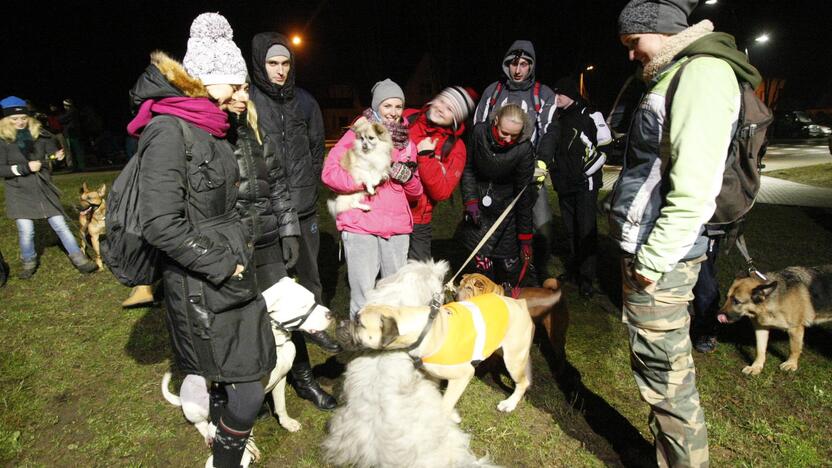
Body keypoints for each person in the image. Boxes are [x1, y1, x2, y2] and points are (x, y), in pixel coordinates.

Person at [611, 1, 762, 465]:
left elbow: (695, 189)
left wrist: (651, 264)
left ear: (660, 31)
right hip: (653, 250)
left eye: (634, 42)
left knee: (668, 379)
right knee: (659, 372)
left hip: (662, 259)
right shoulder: (677, 71)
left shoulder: (701, 74)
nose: (631, 55)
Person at [128, 13, 275, 466]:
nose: (242, 92)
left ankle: (221, 438)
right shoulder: (169, 132)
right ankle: (226, 459)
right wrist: (220, 263)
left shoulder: (209, 127)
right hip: (203, 284)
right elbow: (158, 223)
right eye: (236, 83)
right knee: (248, 391)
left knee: (245, 375)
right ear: (210, 80)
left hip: (230, 274)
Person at [248, 31, 340, 410]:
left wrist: (307, 183)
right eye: (272, 63)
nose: (280, 70)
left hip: (302, 209)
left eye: (285, 63)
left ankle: (314, 326)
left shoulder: (306, 102)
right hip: (264, 215)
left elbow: (317, 146)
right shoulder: (248, 101)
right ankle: (292, 372)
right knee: (277, 294)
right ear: (259, 65)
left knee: (311, 278)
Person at [322, 79, 423, 318]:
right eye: (387, 105)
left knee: (395, 296)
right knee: (363, 297)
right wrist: (364, 178)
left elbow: (416, 193)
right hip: (361, 225)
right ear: (377, 106)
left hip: (396, 228)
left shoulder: (409, 144)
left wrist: (407, 178)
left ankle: (394, 346)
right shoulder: (358, 134)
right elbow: (329, 173)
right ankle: (361, 345)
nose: (393, 112)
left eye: (398, 106)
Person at [473, 40, 558, 283]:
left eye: (523, 64)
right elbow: (479, 127)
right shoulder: (493, 91)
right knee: (493, 226)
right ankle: (491, 277)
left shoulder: (543, 94)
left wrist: (541, 163)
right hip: (495, 173)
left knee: (542, 225)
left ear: (531, 66)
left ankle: (539, 274)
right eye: (513, 64)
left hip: (528, 172)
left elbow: (550, 130)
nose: (517, 70)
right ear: (506, 64)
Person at [0, 96, 97, 279]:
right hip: (19, 192)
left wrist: (57, 157)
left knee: (60, 225)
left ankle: (79, 259)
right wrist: (24, 168)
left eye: (23, 118)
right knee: (26, 230)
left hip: (43, 188)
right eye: (14, 119)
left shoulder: (41, 134)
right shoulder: (2, 141)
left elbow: (51, 155)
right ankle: (29, 261)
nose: (20, 122)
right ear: (6, 120)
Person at [459, 104, 535, 289]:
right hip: (478, 202)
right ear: (495, 121)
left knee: (508, 266)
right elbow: (468, 169)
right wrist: (471, 201)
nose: (508, 139)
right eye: (504, 133)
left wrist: (525, 237)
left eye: (514, 135)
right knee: (480, 264)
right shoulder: (478, 133)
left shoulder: (524, 149)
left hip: (507, 209)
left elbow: (523, 195)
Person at [547, 77, 608, 298]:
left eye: (560, 93)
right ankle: (573, 272)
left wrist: (587, 172)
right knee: (571, 230)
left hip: (585, 184)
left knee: (585, 231)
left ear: (571, 94)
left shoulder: (588, 115)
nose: (557, 98)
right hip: (564, 183)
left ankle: (587, 280)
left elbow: (602, 146)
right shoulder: (558, 116)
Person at [402, 86, 475, 261]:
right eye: (442, 100)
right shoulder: (406, 117)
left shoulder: (456, 149)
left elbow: (441, 192)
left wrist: (426, 157)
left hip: (417, 219)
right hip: (384, 209)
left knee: (417, 276)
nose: (441, 108)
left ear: (457, 119)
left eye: (450, 109)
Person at [59, 98, 84, 171]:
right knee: (73, 151)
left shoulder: (72, 111)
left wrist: (61, 118)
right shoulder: (73, 111)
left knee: (76, 150)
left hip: (73, 133)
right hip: (72, 133)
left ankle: (80, 166)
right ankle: (77, 166)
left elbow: (61, 119)